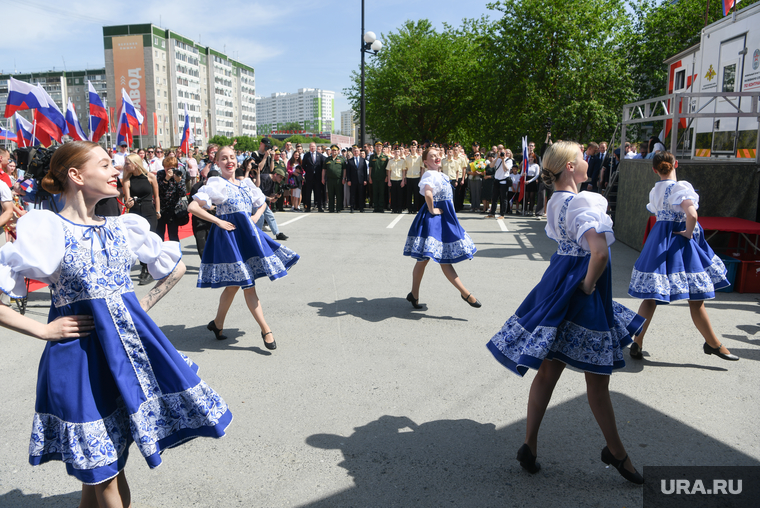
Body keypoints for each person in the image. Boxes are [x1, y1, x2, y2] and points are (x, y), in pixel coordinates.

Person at [0, 140, 231, 506]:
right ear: (75, 175)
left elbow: (176, 267)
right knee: (104, 472)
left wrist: (135, 308)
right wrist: (43, 329)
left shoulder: (123, 227)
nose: (116, 171)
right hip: (78, 362)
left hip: (124, 359)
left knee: (106, 470)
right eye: (106, 164)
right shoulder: (47, 228)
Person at [486, 140, 644, 484]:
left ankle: (529, 444)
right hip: (580, 286)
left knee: (547, 371)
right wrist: (588, 286)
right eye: (581, 158)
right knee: (597, 381)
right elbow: (598, 254)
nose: (587, 160)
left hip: (558, 281)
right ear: (570, 167)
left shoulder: (557, 200)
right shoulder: (583, 201)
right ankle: (616, 452)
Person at [628, 150, 737, 361]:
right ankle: (713, 343)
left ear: (654, 169)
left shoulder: (655, 191)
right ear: (675, 164)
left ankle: (637, 341)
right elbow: (692, 214)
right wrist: (688, 232)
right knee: (696, 297)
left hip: (658, 242)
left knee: (651, 296)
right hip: (679, 243)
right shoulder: (680, 187)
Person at [188, 146, 299, 349]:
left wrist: (256, 216)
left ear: (236, 161)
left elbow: (262, 202)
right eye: (224, 158)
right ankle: (266, 329)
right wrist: (218, 221)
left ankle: (217, 323)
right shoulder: (216, 184)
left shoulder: (245, 183)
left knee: (234, 286)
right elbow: (193, 207)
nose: (229, 161)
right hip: (230, 240)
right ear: (217, 163)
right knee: (248, 284)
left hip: (247, 237)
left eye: (232, 157)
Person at [403, 147, 480, 309]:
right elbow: (428, 193)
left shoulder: (441, 175)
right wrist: (432, 209)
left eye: (438, 155)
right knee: (432, 260)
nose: (437, 158)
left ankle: (414, 294)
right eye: (432, 156)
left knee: (428, 260)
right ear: (425, 162)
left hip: (443, 219)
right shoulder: (429, 174)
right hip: (434, 221)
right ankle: (465, 294)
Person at [122, 153, 160, 285]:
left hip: (150, 211)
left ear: (136, 164)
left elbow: (157, 196)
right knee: (139, 241)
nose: (125, 166)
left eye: (128, 163)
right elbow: (127, 199)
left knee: (150, 239)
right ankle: (145, 269)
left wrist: (158, 211)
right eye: (125, 163)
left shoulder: (150, 177)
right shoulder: (127, 180)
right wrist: (129, 202)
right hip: (135, 213)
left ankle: (151, 268)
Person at [156, 156, 185, 242]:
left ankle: (175, 254)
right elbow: (158, 190)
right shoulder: (160, 174)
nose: (170, 171)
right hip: (161, 208)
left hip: (173, 209)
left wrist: (178, 181)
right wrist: (166, 179)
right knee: (159, 234)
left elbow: (182, 193)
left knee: (173, 235)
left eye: (172, 169)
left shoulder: (178, 174)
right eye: (167, 169)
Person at [322, 144, 346, 213]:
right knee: (330, 194)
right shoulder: (327, 159)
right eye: (332, 150)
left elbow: (344, 169)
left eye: (335, 150)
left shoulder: (341, 159)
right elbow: (324, 169)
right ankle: (331, 208)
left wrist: (344, 178)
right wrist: (322, 178)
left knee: (339, 194)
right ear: (331, 151)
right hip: (330, 180)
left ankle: (338, 208)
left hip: (339, 179)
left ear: (338, 151)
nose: (334, 151)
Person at [302, 142, 324, 212]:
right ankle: (308, 207)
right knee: (308, 193)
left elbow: (322, 165)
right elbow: (303, 165)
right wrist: (308, 171)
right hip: (309, 177)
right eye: (311, 147)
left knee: (318, 193)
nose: (313, 148)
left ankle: (319, 207)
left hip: (317, 177)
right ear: (309, 147)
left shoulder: (320, 155)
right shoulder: (306, 155)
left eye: (314, 147)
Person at [368, 141, 389, 213]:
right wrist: (370, 177)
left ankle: (381, 207)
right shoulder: (372, 157)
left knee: (382, 193)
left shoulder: (385, 157)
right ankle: (376, 207)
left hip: (382, 178)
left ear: (382, 147)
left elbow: (387, 168)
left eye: (380, 146)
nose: (378, 148)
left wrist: (386, 176)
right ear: (375, 147)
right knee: (375, 192)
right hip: (374, 177)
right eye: (377, 146)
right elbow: (370, 168)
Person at [346, 146, 368, 213]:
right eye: (355, 151)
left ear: (359, 152)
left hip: (361, 180)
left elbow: (365, 171)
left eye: (357, 151)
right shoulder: (350, 161)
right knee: (352, 194)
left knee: (361, 194)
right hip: (353, 180)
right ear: (353, 152)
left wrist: (365, 180)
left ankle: (361, 208)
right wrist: (348, 180)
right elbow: (348, 172)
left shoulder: (363, 160)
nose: (356, 152)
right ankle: (352, 207)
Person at [404, 143, 423, 213]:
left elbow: (422, 168)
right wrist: (405, 178)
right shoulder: (407, 158)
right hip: (409, 177)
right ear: (410, 148)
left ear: (416, 148)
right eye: (412, 147)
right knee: (409, 194)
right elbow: (405, 169)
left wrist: (421, 177)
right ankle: (409, 208)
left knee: (416, 194)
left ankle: (415, 208)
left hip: (417, 177)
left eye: (414, 147)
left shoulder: (419, 158)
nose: (413, 148)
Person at [387, 146, 406, 214]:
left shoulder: (402, 161)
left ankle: (399, 208)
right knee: (393, 195)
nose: (397, 153)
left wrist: (403, 180)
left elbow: (404, 171)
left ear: (400, 152)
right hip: (393, 179)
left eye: (398, 151)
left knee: (400, 195)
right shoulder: (390, 161)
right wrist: (389, 181)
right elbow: (388, 171)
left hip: (400, 179)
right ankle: (394, 208)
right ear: (393, 152)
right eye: (395, 151)